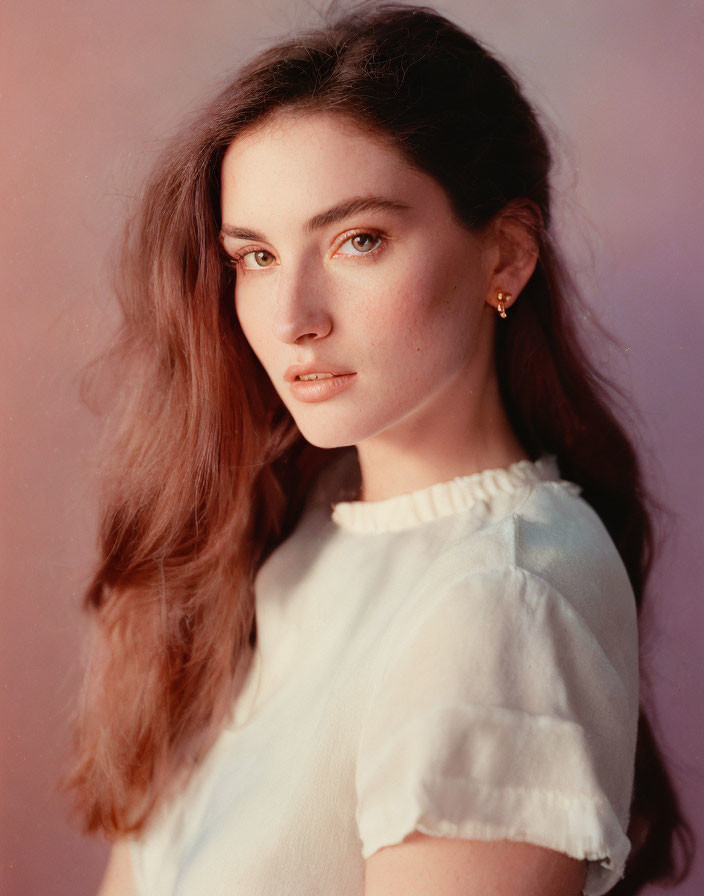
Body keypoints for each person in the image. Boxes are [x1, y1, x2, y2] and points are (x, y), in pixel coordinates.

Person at [65, 3, 692, 895]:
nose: (292, 321)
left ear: (506, 256)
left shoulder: (502, 597)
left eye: (358, 240)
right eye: (256, 257)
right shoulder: (299, 531)